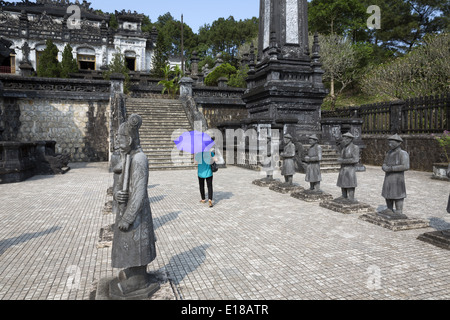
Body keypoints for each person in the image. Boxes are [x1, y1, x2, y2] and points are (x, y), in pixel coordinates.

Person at [111, 114, 158, 297]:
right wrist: (117, 194)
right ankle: (131, 271)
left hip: (136, 215)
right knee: (126, 244)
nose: (117, 140)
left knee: (137, 244)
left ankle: (139, 279)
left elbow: (139, 192)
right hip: (125, 209)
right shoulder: (126, 158)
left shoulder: (139, 159)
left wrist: (128, 217)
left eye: (120, 137)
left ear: (129, 139)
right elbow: (117, 185)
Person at [381, 134, 410, 216]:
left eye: (392, 142)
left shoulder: (403, 153)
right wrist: (384, 167)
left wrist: (391, 168)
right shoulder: (389, 153)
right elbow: (384, 163)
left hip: (397, 178)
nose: (389, 144)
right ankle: (389, 208)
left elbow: (406, 166)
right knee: (388, 192)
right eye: (389, 142)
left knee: (398, 193)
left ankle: (398, 210)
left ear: (398, 143)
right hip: (388, 177)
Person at [336, 132, 360, 202]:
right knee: (342, 182)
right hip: (343, 168)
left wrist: (343, 160)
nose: (344, 141)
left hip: (350, 169)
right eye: (343, 139)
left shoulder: (355, 148)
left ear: (350, 139)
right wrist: (340, 160)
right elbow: (341, 157)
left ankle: (351, 197)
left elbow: (355, 159)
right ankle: (344, 195)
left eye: (346, 139)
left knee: (350, 183)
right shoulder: (344, 148)